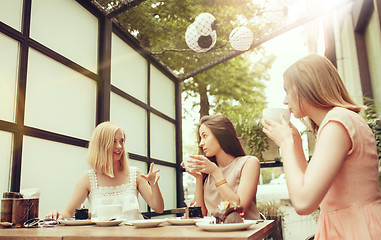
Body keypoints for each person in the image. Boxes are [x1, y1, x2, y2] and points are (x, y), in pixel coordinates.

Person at [262, 54, 381, 239]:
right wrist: (295, 145)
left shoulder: (337, 122)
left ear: (307, 87)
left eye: (287, 90)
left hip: (355, 230)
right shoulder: (339, 120)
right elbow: (312, 194)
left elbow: (303, 203)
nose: (285, 101)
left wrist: (285, 144)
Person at [47, 121, 164, 220]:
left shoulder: (135, 174)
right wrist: (56, 215)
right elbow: (68, 213)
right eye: (114, 141)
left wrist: (154, 184)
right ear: (101, 145)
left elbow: (158, 208)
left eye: (121, 141)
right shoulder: (88, 178)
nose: (119, 146)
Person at [183, 115, 261, 219]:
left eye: (205, 136)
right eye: (200, 138)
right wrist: (198, 178)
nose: (201, 143)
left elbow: (238, 208)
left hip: (243, 233)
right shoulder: (208, 173)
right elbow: (199, 215)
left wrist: (215, 172)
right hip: (215, 233)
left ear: (220, 135)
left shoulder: (249, 163)